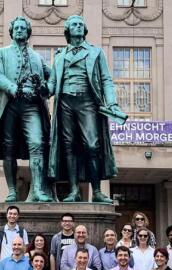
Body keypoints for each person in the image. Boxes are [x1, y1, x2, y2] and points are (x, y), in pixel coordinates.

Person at [46, 14, 123, 203]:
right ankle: (73, 191)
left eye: (81, 24)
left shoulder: (96, 52)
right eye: (75, 24)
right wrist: (38, 88)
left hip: (87, 101)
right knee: (69, 146)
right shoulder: (60, 55)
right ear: (68, 30)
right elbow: (52, 85)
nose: (79, 26)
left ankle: (96, 190)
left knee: (92, 144)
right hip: (65, 102)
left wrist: (111, 102)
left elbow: (106, 79)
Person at [0, 16, 53, 202]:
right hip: (9, 104)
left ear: (28, 32)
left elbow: (52, 79)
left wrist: (44, 87)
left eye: (22, 28)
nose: (19, 31)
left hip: (32, 105)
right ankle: (11, 190)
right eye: (16, 28)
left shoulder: (37, 57)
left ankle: (38, 190)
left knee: (37, 144)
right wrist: (13, 88)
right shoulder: (0, 54)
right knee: (8, 147)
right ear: (11, 31)